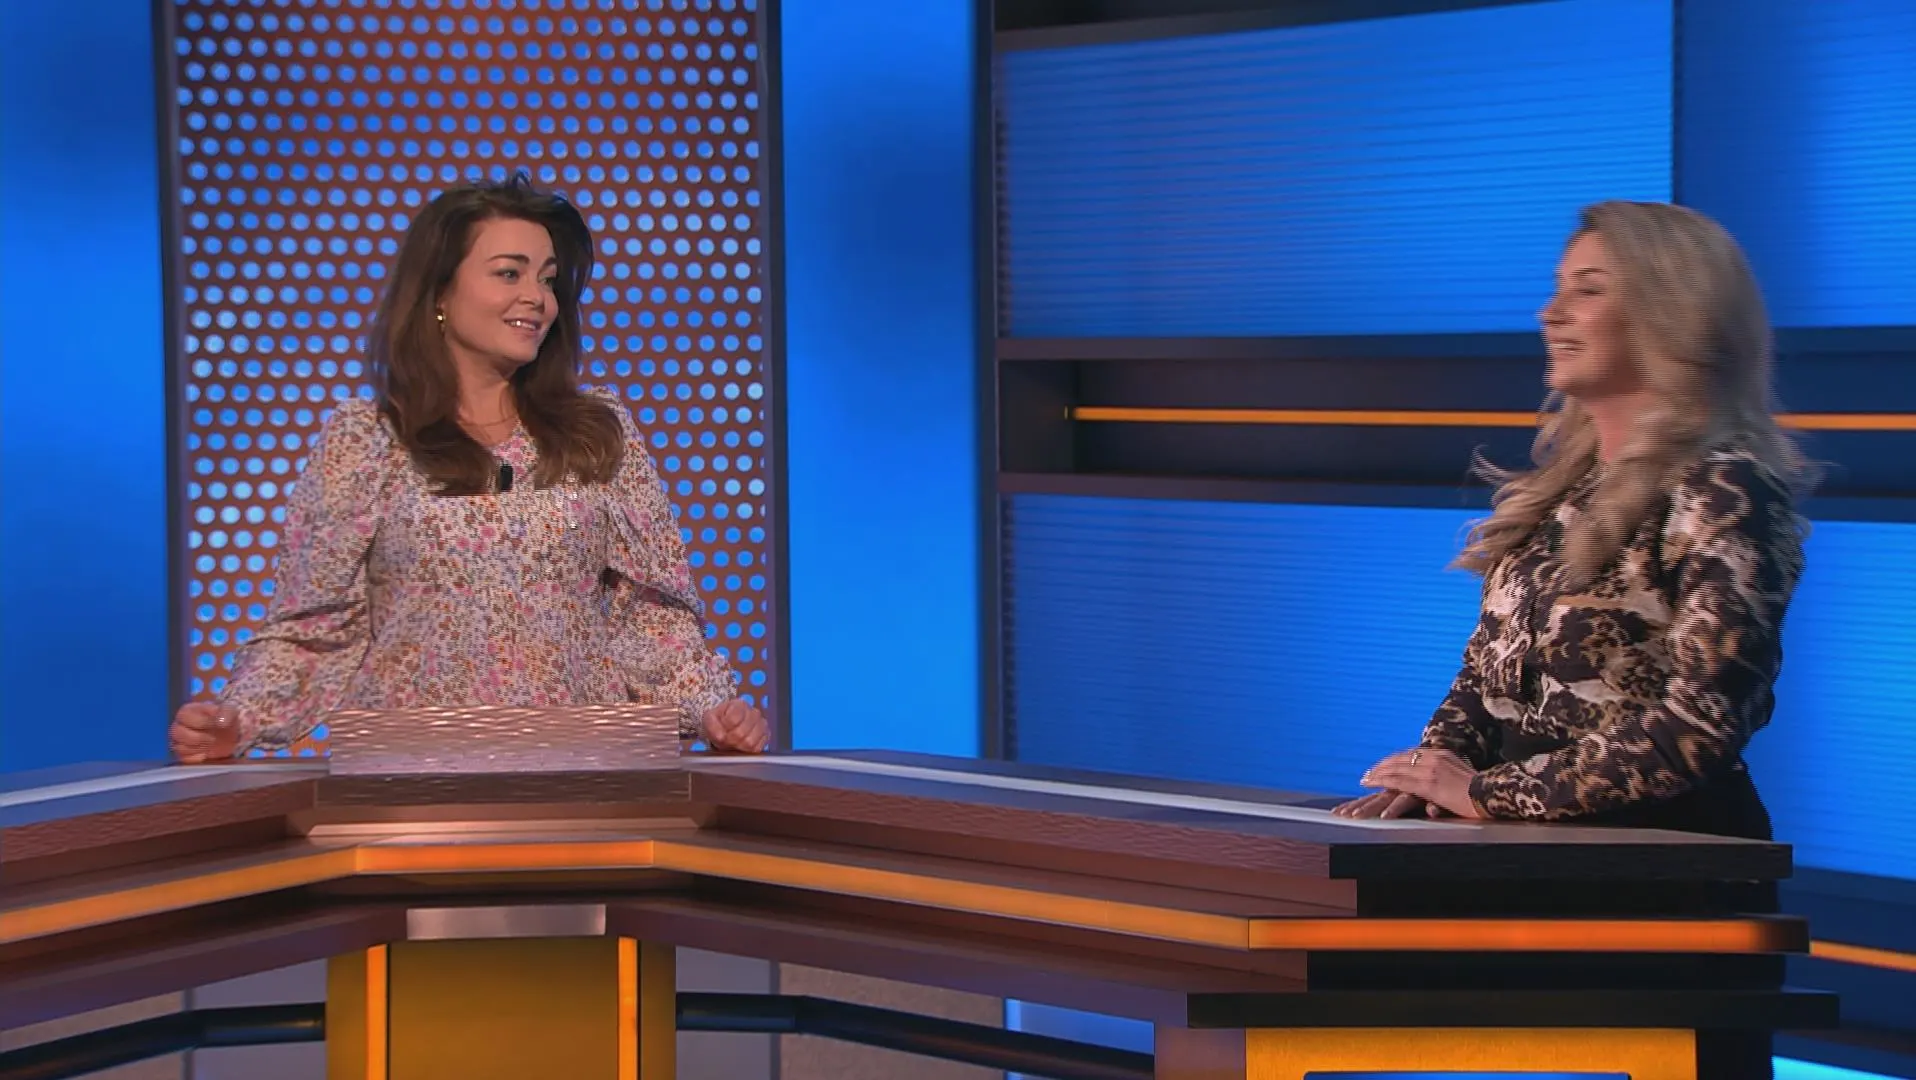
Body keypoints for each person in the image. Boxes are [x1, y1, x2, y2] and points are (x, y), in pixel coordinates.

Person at [169, 174, 768, 763]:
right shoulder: (366, 439)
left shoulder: (596, 433)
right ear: (439, 292)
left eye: (548, 279)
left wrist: (712, 708)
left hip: (577, 766)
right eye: (509, 273)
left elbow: (652, 619)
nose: (538, 298)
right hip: (410, 774)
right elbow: (314, 630)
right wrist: (238, 720)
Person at [1334, 201, 1811, 839]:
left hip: (1661, 851)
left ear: (1673, 312)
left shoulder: (1725, 489)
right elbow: (1487, 673)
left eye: (1589, 290)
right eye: (1558, 288)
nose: (1551, 313)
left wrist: (1483, 793)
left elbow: (1701, 724)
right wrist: (1428, 773)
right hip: (1517, 843)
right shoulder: (1561, 493)